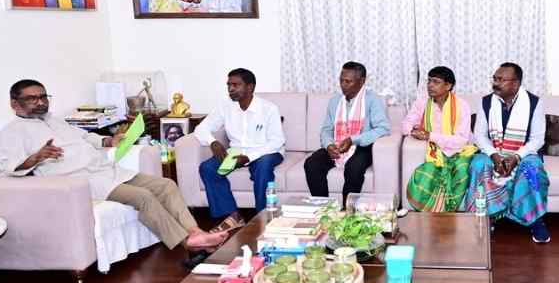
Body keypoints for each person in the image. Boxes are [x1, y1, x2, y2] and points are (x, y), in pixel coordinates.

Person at [0, 79, 228, 257]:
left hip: (104, 170)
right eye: (32, 98)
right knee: (143, 196)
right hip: (80, 181)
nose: (41, 102)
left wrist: (109, 140)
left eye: (43, 96)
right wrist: (35, 158)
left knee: (166, 185)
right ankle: (187, 243)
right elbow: (4, 169)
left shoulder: (54, 120)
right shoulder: (13, 132)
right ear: (15, 103)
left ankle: (195, 232)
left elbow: (86, 136)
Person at [464, 62, 551, 243]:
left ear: (516, 84)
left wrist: (516, 157)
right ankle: (488, 216)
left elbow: (537, 139)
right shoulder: (486, 102)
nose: (495, 83)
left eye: (501, 80)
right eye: (494, 79)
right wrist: (494, 155)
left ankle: (535, 219)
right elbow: (479, 135)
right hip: (493, 151)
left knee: (532, 169)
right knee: (478, 164)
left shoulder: (534, 103)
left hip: (524, 153)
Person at [195, 68, 284, 229]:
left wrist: (249, 157)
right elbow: (201, 128)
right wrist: (213, 142)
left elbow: (277, 141)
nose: (231, 89)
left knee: (263, 167)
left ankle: (264, 217)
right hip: (236, 151)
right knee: (207, 168)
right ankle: (232, 216)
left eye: (236, 85)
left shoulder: (268, 108)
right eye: (229, 85)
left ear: (250, 87)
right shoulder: (225, 107)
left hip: (266, 151)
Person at [303, 61, 391, 203]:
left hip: (362, 147)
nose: (343, 85)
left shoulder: (372, 100)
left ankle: (347, 209)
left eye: (348, 81)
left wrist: (353, 140)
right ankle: (323, 207)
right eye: (341, 80)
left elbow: (383, 128)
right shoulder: (335, 101)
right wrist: (329, 145)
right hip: (337, 143)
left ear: (361, 81)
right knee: (312, 163)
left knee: (354, 168)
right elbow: (326, 129)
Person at [403, 66, 477, 212]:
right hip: (435, 151)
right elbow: (406, 124)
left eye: (436, 82)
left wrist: (430, 135)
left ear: (448, 86)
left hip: (460, 150)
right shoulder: (422, 103)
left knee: (461, 170)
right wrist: (414, 131)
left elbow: (461, 140)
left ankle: (449, 211)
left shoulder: (461, 105)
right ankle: (430, 212)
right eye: (429, 81)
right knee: (428, 172)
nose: (430, 85)